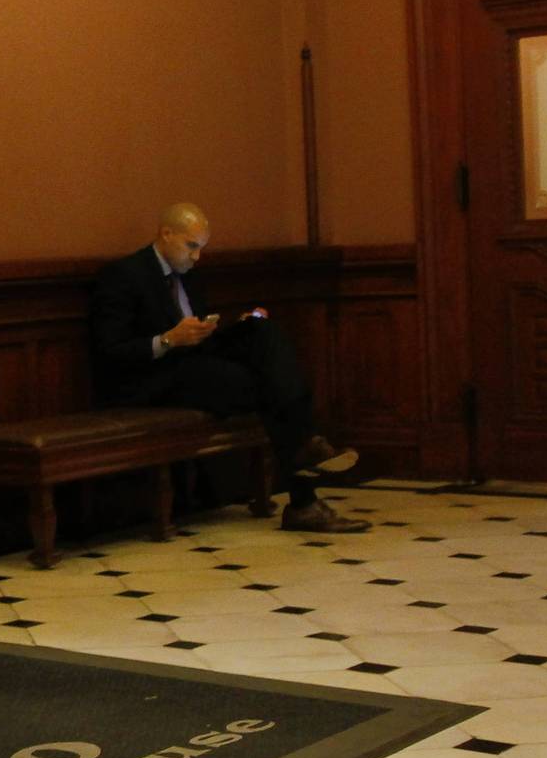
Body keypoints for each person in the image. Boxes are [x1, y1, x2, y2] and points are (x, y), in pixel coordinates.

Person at [90, 203, 368, 533]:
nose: (196, 258)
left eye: (201, 249)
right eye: (191, 246)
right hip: (150, 378)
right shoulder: (124, 276)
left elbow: (199, 334)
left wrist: (227, 327)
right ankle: (304, 478)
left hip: (192, 361)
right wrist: (166, 340)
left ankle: (305, 466)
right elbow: (109, 353)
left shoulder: (189, 276)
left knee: (262, 332)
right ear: (166, 234)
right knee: (261, 383)